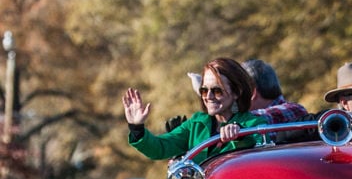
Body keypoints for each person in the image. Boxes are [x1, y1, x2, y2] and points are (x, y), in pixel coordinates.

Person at [123, 58, 266, 162]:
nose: (208, 97)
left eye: (217, 91)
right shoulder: (196, 123)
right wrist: (137, 128)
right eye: (204, 90)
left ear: (237, 92)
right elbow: (160, 148)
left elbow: (261, 152)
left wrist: (239, 134)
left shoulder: (254, 124)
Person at [241, 59, 313, 141]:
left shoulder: (294, 110)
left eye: (236, 91)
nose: (235, 98)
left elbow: (257, 119)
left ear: (252, 92)